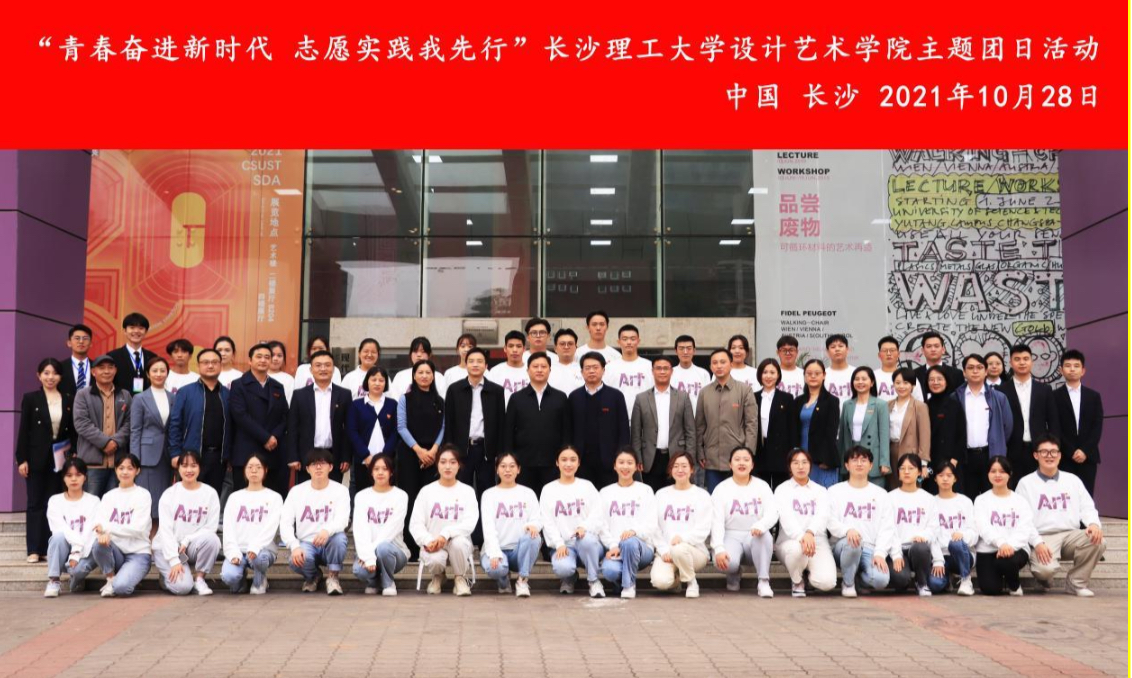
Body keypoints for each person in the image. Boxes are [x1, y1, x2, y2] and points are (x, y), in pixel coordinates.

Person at [1016, 434, 1106, 596]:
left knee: (1098, 540)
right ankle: (1044, 579)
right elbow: (1023, 520)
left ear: (1059, 455)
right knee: (1044, 571)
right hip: (1043, 537)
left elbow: (1087, 507)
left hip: (1070, 535)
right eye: (1044, 452)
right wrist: (1037, 542)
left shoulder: (1073, 480)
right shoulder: (1025, 483)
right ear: (1036, 455)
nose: (1049, 456)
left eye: (1053, 452)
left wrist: (1093, 524)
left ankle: (1076, 583)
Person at [445, 347, 506, 544]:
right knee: (461, 494)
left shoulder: (496, 391)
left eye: (480, 361)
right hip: (461, 451)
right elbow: (449, 423)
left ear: (486, 365)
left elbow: (500, 423)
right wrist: (450, 451)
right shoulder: (454, 389)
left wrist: (499, 454)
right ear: (466, 364)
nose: (475, 365)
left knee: (486, 494)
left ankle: (483, 538)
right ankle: (461, 536)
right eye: (471, 361)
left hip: (486, 451)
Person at [17, 358, 74, 562]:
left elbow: (72, 431)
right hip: (36, 458)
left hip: (60, 459)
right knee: (35, 503)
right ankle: (34, 549)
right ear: (39, 376)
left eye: (55, 373)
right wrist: (21, 459)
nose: (51, 377)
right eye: (46, 373)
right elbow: (24, 430)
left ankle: (50, 548)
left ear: (60, 376)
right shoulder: (31, 398)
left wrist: (73, 454)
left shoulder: (68, 399)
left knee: (54, 503)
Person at [409, 444, 479, 596]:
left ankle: (460, 578)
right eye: (443, 462)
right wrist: (428, 540)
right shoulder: (426, 491)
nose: (448, 466)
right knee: (435, 559)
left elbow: (469, 523)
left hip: (458, 542)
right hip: (433, 543)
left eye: (452, 462)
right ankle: (438, 577)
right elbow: (416, 524)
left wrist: (446, 534)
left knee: (458, 544)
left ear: (459, 465)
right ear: (437, 465)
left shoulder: (467, 491)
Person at [827, 446, 894, 597]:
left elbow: (887, 528)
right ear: (846, 465)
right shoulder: (834, 491)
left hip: (870, 548)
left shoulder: (881, 494)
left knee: (881, 580)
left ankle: (858, 578)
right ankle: (848, 583)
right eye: (854, 460)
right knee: (853, 543)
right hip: (843, 546)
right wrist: (847, 531)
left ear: (871, 465)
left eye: (864, 460)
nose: (859, 464)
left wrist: (880, 553)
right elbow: (829, 521)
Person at [281, 449, 351, 595]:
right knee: (295, 560)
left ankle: (333, 577)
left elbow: (343, 519)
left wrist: (327, 531)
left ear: (330, 467)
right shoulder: (296, 491)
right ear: (307, 469)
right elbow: (285, 523)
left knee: (339, 539)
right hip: (306, 543)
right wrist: (294, 546)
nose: (318, 467)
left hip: (329, 540)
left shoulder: (340, 490)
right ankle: (313, 576)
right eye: (313, 464)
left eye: (322, 463)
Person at [710, 447, 777, 597]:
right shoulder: (721, 489)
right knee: (728, 563)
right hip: (730, 535)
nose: (741, 463)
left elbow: (773, 512)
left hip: (754, 535)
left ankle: (763, 581)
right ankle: (733, 573)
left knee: (765, 536)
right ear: (730, 464)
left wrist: (761, 525)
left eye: (746, 460)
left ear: (752, 465)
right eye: (737, 459)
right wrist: (718, 548)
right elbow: (716, 521)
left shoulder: (762, 486)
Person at [153, 451, 221, 596]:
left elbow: (211, 528)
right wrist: (174, 560)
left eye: (193, 465)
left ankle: (200, 579)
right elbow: (165, 531)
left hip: (190, 546)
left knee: (213, 540)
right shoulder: (169, 494)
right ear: (178, 468)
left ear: (200, 468)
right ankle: (166, 578)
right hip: (166, 548)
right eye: (184, 466)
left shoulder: (210, 493)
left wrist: (188, 539)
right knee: (183, 588)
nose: (189, 470)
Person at [396, 359, 446, 558]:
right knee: (410, 498)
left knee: (429, 502)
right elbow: (401, 427)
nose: (424, 376)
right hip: (410, 454)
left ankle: (429, 545)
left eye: (428, 372)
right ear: (414, 376)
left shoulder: (439, 401)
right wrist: (419, 451)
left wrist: (433, 451)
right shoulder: (405, 399)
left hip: (433, 457)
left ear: (433, 376)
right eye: (420, 372)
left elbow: (444, 427)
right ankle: (411, 546)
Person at [540, 445, 605, 597]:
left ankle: (594, 581)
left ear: (579, 463)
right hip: (564, 546)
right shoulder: (548, 489)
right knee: (563, 568)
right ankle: (569, 577)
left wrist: (584, 527)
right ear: (557, 463)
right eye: (564, 460)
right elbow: (547, 521)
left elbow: (598, 514)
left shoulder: (587, 486)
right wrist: (559, 543)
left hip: (588, 543)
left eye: (573, 460)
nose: (568, 464)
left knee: (587, 540)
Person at [229, 343, 291, 496]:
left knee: (273, 498)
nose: (263, 360)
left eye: (267, 357)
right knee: (245, 499)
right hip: (247, 450)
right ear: (250, 361)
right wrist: (265, 437)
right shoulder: (238, 385)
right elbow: (240, 416)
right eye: (259, 357)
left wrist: (274, 436)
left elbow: (285, 416)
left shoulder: (277, 386)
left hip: (273, 451)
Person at [774, 448, 837, 597]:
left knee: (827, 583)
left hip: (816, 541)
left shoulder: (820, 491)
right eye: (795, 463)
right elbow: (786, 518)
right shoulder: (782, 490)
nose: (800, 467)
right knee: (797, 549)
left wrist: (810, 533)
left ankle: (808, 572)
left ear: (810, 465)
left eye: (804, 462)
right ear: (789, 466)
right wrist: (802, 536)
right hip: (790, 541)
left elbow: (822, 516)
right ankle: (797, 580)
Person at [506, 352, 571, 493]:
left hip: (553, 463)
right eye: (535, 366)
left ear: (550, 370)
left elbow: (566, 431)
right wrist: (510, 460)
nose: (540, 370)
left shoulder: (560, 397)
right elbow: (508, 432)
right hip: (523, 463)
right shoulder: (516, 398)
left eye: (543, 366)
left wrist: (564, 458)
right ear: (528, 370)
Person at [695, 349, 758, 494]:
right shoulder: (704, 393)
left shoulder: (744, 390)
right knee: (714, 498)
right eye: (715, 363)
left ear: (731, 364)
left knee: (738, 498)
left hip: (737, 458)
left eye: (723, 362)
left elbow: (751, 425)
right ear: (710, 367)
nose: (719, 366)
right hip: (711, 458)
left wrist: (748, 453)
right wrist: (700, 452)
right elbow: (699, 426)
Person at [480, 453, 543, 597]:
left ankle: (522, 580)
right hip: (498, 548)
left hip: (518, 551)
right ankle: (503, 580)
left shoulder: (528, 493)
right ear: (497, 470)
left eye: (512, 466)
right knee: (496, 568)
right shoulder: (489, 494)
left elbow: (537, 519)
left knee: (534, 537)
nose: (507, 470)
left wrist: (533, 525)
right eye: (503, 466)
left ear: (518, 469)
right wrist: (494, 552)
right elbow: (488, 527)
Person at [167, 348, 229, 494]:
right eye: (205, 362)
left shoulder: (227, 394)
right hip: (191, 457)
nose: (210, 365)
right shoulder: (185, 392)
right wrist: (175, 453)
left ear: (220, 365)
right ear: (198, 366)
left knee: (213, 497)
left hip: (219, 459)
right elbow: (175, 424)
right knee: (189, 498)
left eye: (214, 362)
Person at [598, 449, 657, 599]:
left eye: (630, 463)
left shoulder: (645, 490)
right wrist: (613, 545)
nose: (625, 467)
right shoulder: (605, 493)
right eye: (621, 462)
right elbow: (601, 526)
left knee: (629, 542)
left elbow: (651, 524)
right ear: (615, 466)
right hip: (615, 549)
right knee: (610, 571)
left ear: (636, 466)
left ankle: (628, 585)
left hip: (641, 548)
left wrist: (634, 532)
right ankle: (620, 582)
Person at [90, 454, 152, 597]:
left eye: (130, 468)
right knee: (98, 544)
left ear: (137, 471)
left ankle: (124, 579)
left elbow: (138, 529)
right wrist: (102, 532)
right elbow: (98, 525)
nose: (125, 472)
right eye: (121, 468)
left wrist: (107, 529)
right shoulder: (108, 496)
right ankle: (111, 579)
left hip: (138, 554)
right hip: (116, 552)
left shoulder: (143, 495)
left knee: (122, 588)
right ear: (116, 470)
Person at [220, 453, 283, 594]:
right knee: (230, 577)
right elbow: (228, 529)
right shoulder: (234, 497)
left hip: (262, 551)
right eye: (250, 467)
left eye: (258, 467)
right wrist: (233, 553)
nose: (254, 470)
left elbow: (271, 528)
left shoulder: (275, 498)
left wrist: (255, 547)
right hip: (239, 550)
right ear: (244, 470)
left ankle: (260, 579)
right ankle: (241, 578)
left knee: (259, 558)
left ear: (265, 470)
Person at [651, 452, 712, 598]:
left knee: (679, 549)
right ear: (670, 470)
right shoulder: (661, 494)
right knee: (660, 582)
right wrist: (664, 550)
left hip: (694, 552)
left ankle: (691, 582)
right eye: (676, 466)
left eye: (684, 466)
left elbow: (704, 528)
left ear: (692, 470)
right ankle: (677, 580)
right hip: (666, 552)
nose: (680, 470)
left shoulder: (702, 495)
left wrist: (683, 539)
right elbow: (654, 527)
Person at [631, 356, 695, 493]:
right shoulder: (641, 398)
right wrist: (637, 458)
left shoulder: (683, 397)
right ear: (652, 371)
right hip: (650, 458)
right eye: (658, 368)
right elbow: (636, 433)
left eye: (666, 368)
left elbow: (690, 431)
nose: (662, 371)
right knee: (651, 495)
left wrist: (689, 458)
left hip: (677, 457)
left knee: (677, 495)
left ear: (671, 371)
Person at [973, 456, 1035, 596]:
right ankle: (1000, 576)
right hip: (988, 550)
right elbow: (983, 527)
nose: (997, 475)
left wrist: (1009, 546)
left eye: (1002, 471)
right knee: (990, 589)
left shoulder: (1020, 501)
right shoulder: (981, 500)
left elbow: (1025, 528)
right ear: (988, 474)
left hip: (1015, 549)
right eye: (993, 471)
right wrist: (1001, 543)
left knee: (1006, 562)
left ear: (1009, 474)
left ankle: (1014, 585)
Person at [998, 344, 1060, 484]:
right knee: (1013, 490)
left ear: (1032, 361)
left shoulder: (1044, 389)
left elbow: (1053, 421)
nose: (1022, 362)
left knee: (1041, 488)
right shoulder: (1001, 390)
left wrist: (1053, 448)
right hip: (1011, 451)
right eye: (1017, 359)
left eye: (1026, 359)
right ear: (1010, 362)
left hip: (1040, 450)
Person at [288, 350, 353, 484]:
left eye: (327, 365)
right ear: (311, 369)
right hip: (307, 455)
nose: (323, 369)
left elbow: (348, 428)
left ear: (333, 369)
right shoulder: (299, 395)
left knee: (333, 493)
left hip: (333, 456)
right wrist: (293, 456)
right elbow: (292, 427)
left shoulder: (344, 395)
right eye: (318, 365)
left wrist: (346, 457)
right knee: (306, 493)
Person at [953, 354, 1013, 497]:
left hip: (990, 455)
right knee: (967, 498)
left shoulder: (999, 397)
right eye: (970, 368)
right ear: (964, 372)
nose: (975, 371)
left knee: (992, 497)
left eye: (979, 367)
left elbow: (1007, 427)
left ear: (986, 372)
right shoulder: (955, 397)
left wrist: (997, 443)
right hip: (965, 457)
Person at [72, 354, 132, 497]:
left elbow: (130, 423)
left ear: (115, 371)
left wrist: (115, 442)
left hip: (118, 464)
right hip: (92, 464)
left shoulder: (125, 395)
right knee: (91, 504)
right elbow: (81, 423)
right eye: (102, 368)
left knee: (115, 505)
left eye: (110, 368)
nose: (106, 371)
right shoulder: (83, 395)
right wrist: (105, 443)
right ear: (93, 372)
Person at [351, 455, 410, 596]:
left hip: (394, 551)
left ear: (391, 472)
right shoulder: (361, 496)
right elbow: (360, 529)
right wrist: (366, 555)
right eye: (376, 469)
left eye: (385, 469)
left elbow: (392, 529)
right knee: (359, 570)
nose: (380, 472)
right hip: (368, 550)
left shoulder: (400, 496)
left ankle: (388, 582)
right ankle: (374, 581)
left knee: (383, 548)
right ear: (371, 472)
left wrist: (370, 553)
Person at [568, 352, 629, 487]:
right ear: (582, 372)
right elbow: (569, 429)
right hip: (581, 461)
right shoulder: (574, 397)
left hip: (609, 461)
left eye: (595, 367)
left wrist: (621, 457)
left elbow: (624, 429)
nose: (591, 371)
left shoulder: (616, 396)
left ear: (603, 370)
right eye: (587, 368)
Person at [43, 458, 100, 597]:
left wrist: (77, 553)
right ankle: (54, 581)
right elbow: (59, 528)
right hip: (66, 549)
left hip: (86, 549)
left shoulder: (94, 501)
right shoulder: (55, 501)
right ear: (63, 478)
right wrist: (74, 552)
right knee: (57, 537)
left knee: (78, 570)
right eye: (69, 475)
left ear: (85, 477)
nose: (74, 479)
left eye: (78, 475)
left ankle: (77, 578)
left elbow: (90, 532)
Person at [887, 454, 942, 596]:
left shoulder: (928, 499)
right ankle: (904, 580)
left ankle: (921, 583)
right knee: (900, 579)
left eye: (911, 468)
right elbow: (888, 529)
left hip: (918, 549)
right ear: (898, 472)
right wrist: (896, 554)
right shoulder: (890, 498)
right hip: (898, 548)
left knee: (920, 547)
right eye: (902, 468)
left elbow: (934, 528)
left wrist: (923, 536)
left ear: (919, 472)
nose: (906, 472)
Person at [129, 357, 175, 523]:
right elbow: (135, 431)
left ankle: (159, 534)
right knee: (147, 501)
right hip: (146, 456)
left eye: (163, 370)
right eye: (155, 370)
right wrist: (135, 461)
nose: (159, 374)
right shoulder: (140, 398)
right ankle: (146, 535)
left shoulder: (173, 397)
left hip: (166, 455)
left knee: (163, 500)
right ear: (148, 374)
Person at [1054, 349, 1103, 494]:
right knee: (1065, 497)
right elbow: (1055, 427)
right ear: (1061, 370)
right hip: (1064, 457)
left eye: (1076, 366)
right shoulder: (1054, 396)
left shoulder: (1093, 396)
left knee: (1086, 496)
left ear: (1083, 371)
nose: (1072, 369)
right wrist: (1071, 451)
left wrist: (1084, 450)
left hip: (1088, 456)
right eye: (1068, 366)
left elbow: (1097, 427)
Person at [927, 462, 977, 595]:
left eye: (949, 475)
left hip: (962, 553)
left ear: (955, 479)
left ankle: (966, 579)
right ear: (935, 478)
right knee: (935, 585)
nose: (945, 479)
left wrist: (963, 535)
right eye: (941, 475)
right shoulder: (930, 502)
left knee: (956, 544)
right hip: (941, 556)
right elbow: (930, 534)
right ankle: (947, 579)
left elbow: (974, 531)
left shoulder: (965, 501)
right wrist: (937, 560)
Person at [346, 366, 398, 493]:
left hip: (387, 461)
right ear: (367, 382)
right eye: (373, 379)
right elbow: (352, 431)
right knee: (362, 493)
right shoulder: (356, 405)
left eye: (381, 380)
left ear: (386, 383)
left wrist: (385, 456)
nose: (377, 383)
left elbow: (396, 431)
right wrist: (366, 455)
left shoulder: (392, 404)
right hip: (363, 460)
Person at [838, 367, 890, 487]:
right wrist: (841, 460)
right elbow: (843, 435)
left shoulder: (880, 404)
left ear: (872, 383)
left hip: (873, 457)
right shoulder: (847, 405)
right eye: (857, 379)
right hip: (852, 456)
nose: (860, 382)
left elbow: (884, 435)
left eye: (864, 379)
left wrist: (884, 462)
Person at [793, 359, 840, 488]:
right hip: (802, 455)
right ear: (804, 376)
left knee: (823, 493)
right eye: (809, 373)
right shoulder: (798, 401)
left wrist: (825, 458)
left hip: (822, 458)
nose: (813, 376)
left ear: (824, 375)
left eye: (817, 373)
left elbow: (831, 432)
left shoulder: (831, 401)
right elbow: (794, 430)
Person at [753, 358, 797, 489]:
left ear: (778, 375)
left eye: (772, 372)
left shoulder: (787, 398)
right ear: (760, 375)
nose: (768, 376)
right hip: (760, 450)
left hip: (781, 452)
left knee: (781, 488)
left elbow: (792, 428)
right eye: (765, 372)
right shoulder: (753, 397)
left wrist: (793, 453)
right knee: (761, 488)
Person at [925, 365, 968, 496]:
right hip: (930, 461)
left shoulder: (955, 404)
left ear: (946, 381)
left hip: (951, 461)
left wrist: (955, 459)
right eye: (931, 379)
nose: (935, 382)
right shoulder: (924, 406)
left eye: (939, 379)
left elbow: (961, 434)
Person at [887, 367, 932, 490]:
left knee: (912, 489)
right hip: (891, 453)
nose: (901, 386)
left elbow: (924, 436)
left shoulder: (920, 406)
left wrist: (923, 463)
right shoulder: (888, 405)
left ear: (913, 385)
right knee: (893, 489)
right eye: (898, 383)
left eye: (906, 382)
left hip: (911, 455)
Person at [603, 324, 653, 416]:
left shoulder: (649, 366)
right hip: (617, 416)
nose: (629, 342)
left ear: (638, 341)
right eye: (625, 339)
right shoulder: (609, 368)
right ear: (619, 342)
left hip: (644, 417)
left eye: (633, 339)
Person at [107, 312, 158, 395]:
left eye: (141, 328)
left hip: (147, 402)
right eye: (132, 327)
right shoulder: (112, 356)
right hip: (121, 401)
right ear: (124, 331)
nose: (136, 331)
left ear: (146, 331)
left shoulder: (152, 357)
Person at [914, 331, 963, 397]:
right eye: (929, 346)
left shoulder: (957, 374)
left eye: (936, 346)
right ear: (923, 350)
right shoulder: (914, 375)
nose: (933, 349)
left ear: (943, 350)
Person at [875, 336, 924, 402]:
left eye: (892, 350)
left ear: (898, 354)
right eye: (885, 351)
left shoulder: (909, 376)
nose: (888, 353)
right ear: (879, 355)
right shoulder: (872, 376)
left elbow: (919, 401)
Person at [488, 330, 530, 405]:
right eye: (511, 346)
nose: (515, 350)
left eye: (518, 346)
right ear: (505, 348)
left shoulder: (532, 370)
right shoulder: (495, 371)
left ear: (524, 349)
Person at [671, 335, 711, 412]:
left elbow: (708, 400)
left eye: (689, 348)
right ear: (676, 351)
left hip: (698, 417)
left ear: (694, 350)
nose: (685, 352)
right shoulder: (670, 373)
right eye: (681, 348)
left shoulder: (703, 374)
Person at [57, 324, 93, 398]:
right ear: (69, 343)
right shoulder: (59, 367)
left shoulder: (97, 366)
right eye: (77, 338)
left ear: (91, 344)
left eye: (85, 338)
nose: (81, 341)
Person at [548, 328, 584, 395]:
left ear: (576, 347)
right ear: (555, 348)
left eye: (570, 344)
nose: (566, 347)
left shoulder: (583, 369)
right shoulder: (548, 370)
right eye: (562, 344)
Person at [822, 334, 855, 402]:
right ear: (827, 352)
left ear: (847, 349)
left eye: (840, 346)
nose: (837, 349)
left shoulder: (856, 372)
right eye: (833, 347)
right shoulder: (822, 375)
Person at [267, 341, 296, 405]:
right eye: (272, 355)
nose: (275, 359)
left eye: (279, 356)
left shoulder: (289, 379)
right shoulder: (259, 376)